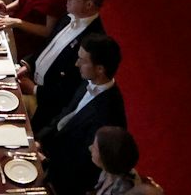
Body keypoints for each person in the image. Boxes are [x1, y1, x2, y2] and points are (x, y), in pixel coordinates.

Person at [19, 0, 107, 129]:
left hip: (44, 105)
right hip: (30, 80)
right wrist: (28, 64)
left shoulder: (92, 44)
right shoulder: (69, 15)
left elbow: (69, 91)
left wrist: (34, 89)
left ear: (89, 5)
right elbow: (49, 46)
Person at [41, 36, 127, 195]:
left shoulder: (108, 116)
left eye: (82, 60)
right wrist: (39, 141)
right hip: (50, 154)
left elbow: (84, 166)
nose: (76, 64)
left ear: (100, 69)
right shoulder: (90, 81)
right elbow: (64, 116)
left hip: (61, 181)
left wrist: (46, 163)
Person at [89, 126, 149, 195]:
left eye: (95, 148)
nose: (90, 148)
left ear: (107, 158)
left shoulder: (122, 190)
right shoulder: (110, 170)